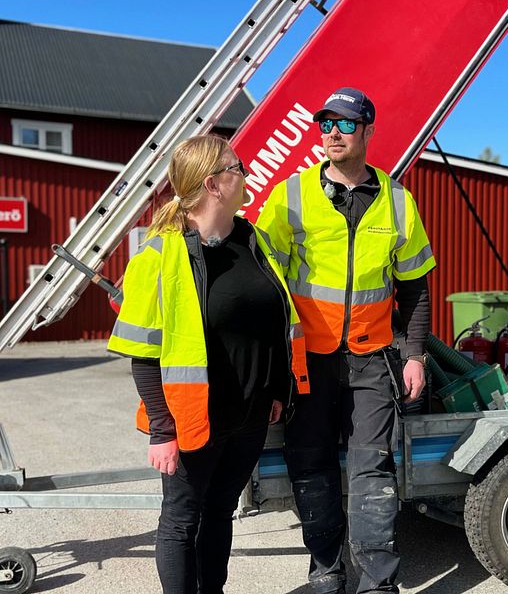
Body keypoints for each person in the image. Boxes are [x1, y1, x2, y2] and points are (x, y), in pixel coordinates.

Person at [107, 134, 309, 594]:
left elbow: (275, 321)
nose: (246, 174)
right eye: (238, 167)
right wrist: (162, 429)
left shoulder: (251, 238)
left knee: (220, 511)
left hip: (251, 415)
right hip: (193, 418)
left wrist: (278, 388)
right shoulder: (158, 255)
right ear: (214, 183)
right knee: (181, 520)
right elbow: (143, 353)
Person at [256, 87, 436, 594]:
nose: (332, 133)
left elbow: (416, 287)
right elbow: (262, 277)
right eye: (325, 124)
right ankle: (326, 570)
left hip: (372, 360)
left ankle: (378, 582)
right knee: (310, 465)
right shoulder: (291, 196)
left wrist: (415, 355)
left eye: (345, 124)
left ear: (369, 131)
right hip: (307, 362)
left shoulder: (398, 202)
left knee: (371, 469)